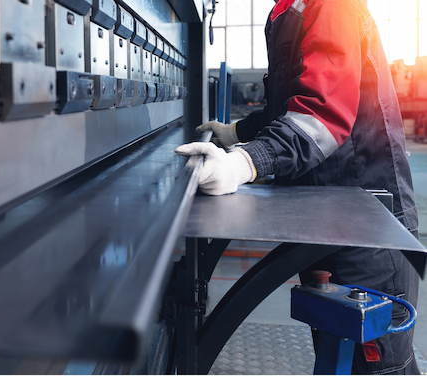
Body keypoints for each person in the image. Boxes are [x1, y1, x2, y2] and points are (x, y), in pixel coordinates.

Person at [175, 0, 422, 373]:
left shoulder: (330, 5)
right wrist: (238, 132)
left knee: (376, 364)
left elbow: (322, 115)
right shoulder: (286, 12)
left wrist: (246, 162)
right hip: (325, 217)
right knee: (334, 351)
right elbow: (287, 106)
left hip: (366, 226)